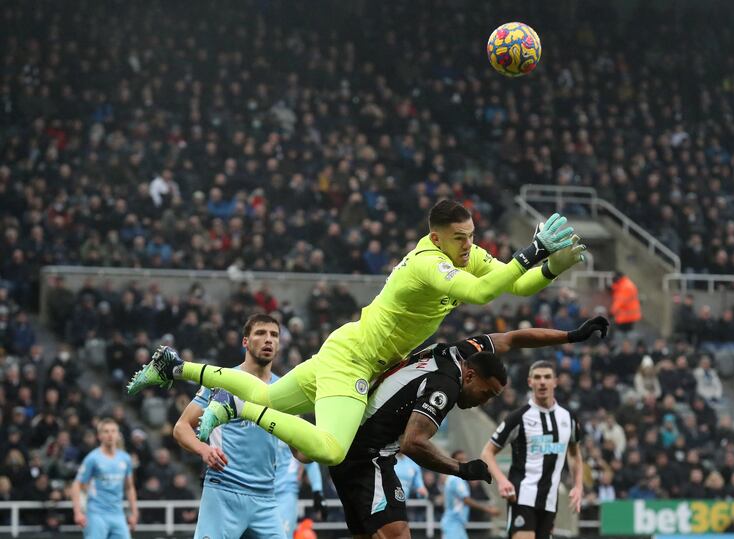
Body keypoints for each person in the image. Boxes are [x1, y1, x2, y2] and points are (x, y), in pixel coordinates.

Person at [129, 201, 586, 465]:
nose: (471, 245)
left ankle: (174, 365)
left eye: (472, 235)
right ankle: (234, 408)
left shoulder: (465, 254)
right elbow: (486, 294)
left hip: (346, 344)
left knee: (271, 399)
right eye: (461, 238)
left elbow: (512, 280)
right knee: (329, 450)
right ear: (437, 237)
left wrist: (551, 266)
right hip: (357, 362)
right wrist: (532, 249)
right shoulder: (428, 266)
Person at [327, 316, 608, 538]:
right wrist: (462, 469)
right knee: (398, 534)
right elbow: (412, 443)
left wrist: (572, 336)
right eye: (485, 394)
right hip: (369, 458)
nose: (482, 402)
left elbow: (514, 338)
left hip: (352, 450)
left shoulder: (466, 351)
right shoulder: (446, 386)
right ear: (470, 375)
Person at [171, 313, 286, 538]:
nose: (268, 340)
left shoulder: (284, 389)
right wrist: (204, 450)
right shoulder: (221, 379)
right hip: (224, 490)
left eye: (274, 335)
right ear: (245, 342)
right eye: (261, 333)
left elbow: (300, 452)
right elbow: (181, 427)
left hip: (266, 498)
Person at [481, 360, 585, 539]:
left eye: (547, 377)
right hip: (522, 496)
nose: (542, 382)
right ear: (530, 382)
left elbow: (575, 454)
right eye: (537, 377)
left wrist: (578, 485)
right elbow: (487, 453)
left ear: (555, 381)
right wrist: (502, 481)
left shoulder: (568, 418)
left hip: (550, 501)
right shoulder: (518, 418)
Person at [71, 418, 138, 539]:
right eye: (106, 431)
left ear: (118, 435)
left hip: (118, 514)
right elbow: (77, 485)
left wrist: (134, 512)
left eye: (113, 431)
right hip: (96, 513)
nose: (110, 434)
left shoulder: (125, 459)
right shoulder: (92, 458)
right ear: (99, 436)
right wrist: (78, 512)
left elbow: (129, 487)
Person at [441, 450, 500, 539]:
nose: (464, 462)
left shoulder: (458, 478)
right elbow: (466, 500)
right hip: (453, 524)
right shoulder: (455, 479)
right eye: (460, 460)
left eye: (465, 459)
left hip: (457, 524)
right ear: (452, 461)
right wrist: (489, 510)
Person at [275, 440, 327, 538]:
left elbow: (308, 458)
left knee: (282, 535)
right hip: (257, 490)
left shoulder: (293, 426)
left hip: (286, 492)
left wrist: (317, 491)